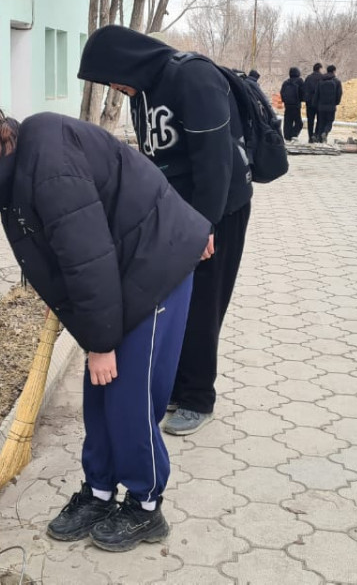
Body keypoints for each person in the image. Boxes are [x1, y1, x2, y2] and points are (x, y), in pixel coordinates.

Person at [0, 100, 209, 552]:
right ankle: (99, 491)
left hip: (157, 264)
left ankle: (146, 505)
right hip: (122, 267)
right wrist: (62, 304)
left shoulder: (47, 161)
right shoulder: (23, 161)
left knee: (130, 397)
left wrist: (100, 343)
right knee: (100, 397)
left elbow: (86, 258)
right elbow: (60, 248)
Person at [79, 25, 252, 438]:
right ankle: (176, 386)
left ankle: (198, 398)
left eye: (112, 78)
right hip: (176, 212)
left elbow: (216, 162)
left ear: (128, 61)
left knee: (204, 303)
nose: (115, 88)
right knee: (177, 303)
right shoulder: (142, 91)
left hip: (218, 211)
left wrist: (205, 227)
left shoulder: (193, 78)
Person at [315, 64, 343, 143]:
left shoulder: (321, 81)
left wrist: (316, 103)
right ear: (334, 71)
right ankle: (325, 132)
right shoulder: (337, 81)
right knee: (329, 121)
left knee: (321, 122)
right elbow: (339, 94)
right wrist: (336, 102)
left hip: (321, 106)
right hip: (331, 106)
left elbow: (317, 93)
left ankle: (319, 139)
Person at [280, 67, 305, 141]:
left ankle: (287, 136)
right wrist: (301, 99)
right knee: (299, 122)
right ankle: (294, 134)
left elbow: (282, 92)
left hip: (287, 105)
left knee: (288, 121)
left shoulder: (286, 82)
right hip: (296, 105)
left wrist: (285, 100)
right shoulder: (300, 81)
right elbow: (302, 92)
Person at [303, 63, 323, 141]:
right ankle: (316, 135)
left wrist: (305, 99)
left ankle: (310, 137)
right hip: (319, 102)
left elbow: (304, 89)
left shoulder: (308, 78)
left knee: (310, 120)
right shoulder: (322, 78)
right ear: (320, 69)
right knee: (320, 120)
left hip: (309, 103)